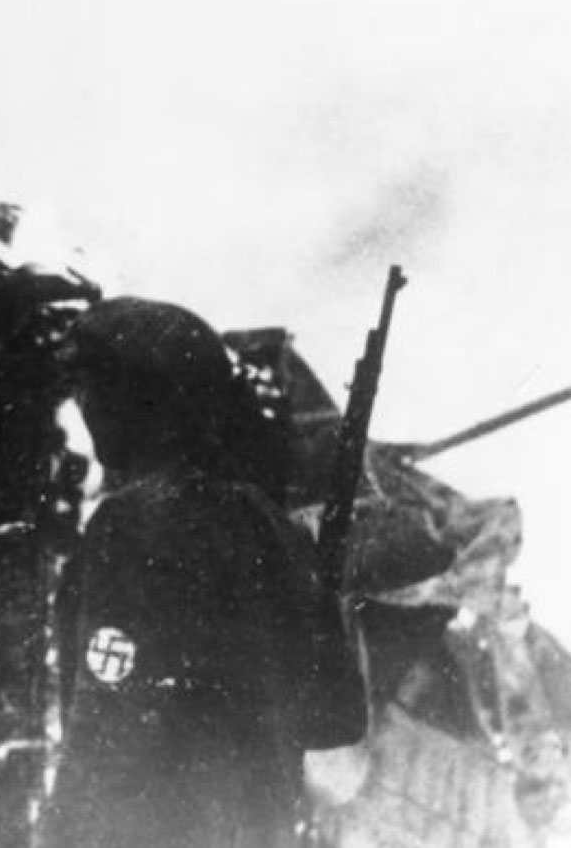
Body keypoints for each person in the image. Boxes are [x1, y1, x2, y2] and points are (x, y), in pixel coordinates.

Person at [40, 297, 366, 848]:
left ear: (138, 399)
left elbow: (110, 723)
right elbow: (334, 724)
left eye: (92, 388)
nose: (83, 407)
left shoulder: (130, 522)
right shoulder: (268, 524)